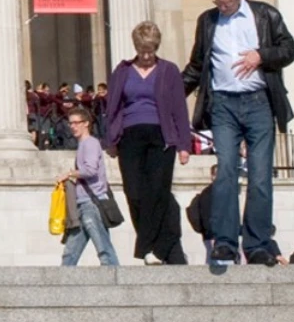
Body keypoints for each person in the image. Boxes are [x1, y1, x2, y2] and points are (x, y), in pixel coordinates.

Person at [183, 0, 294, 267]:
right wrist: (169, 94)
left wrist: (261, 55)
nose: (224, 7)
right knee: (225, 173)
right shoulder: (207, 21)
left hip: (258, 101)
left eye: (228, 2)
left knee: (260, 177)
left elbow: (289, 50)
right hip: (223, 104)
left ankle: (258, 244)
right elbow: (197, 66)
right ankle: (224, 242)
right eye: (219, 2)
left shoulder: (265, 15)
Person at [102, 21, 192, 265]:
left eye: (150, 51)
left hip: (161, 136)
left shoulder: (169, 70)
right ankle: (156, 247)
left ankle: (148, 248)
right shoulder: (122, 71)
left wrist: (184, 144)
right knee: (134, 192)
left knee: (157, 192)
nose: (146, 56)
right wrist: (110, 138)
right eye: (142, 51)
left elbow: (178, 108)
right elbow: (112, 107)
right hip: (130, 136)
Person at [56, 105, 119, 268]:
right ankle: (62, 283)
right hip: (83, 204)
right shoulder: (84, 145)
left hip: (91, 204)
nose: (73, 126)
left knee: (104, 250)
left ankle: (115, 279)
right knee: (70, 254)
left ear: (87, 124)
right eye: (71, 123)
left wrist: (69, 174)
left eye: (77, 123)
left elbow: (90, 170)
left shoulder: (90, 143)